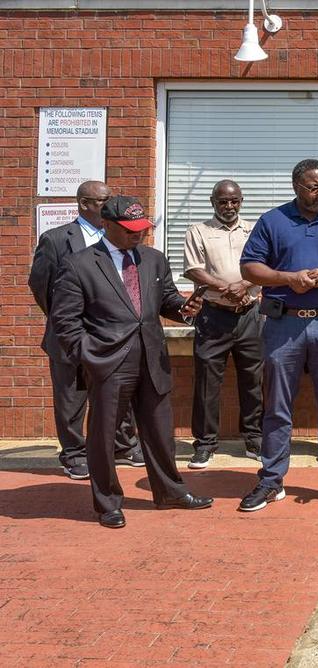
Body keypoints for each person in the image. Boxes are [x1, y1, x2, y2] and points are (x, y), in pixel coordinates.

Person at [49, 196, 213, 528]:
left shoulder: (153, 259)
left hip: (152, 358)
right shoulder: (79, 264)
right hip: (107, 362)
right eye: (130, 230)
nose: (138, 235)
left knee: (159, 432)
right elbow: (65, 322)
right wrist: (89, 355)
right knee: (104, 435)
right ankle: (108, 502)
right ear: (107, 225)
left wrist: (182, 309)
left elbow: (165, 298)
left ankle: (170, 492)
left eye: (142, 229)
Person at [238, 158, 318, 513]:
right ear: (297, 186)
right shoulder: (273, 221)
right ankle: (271, 480)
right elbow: (249, 267)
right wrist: (288, 278)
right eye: (315, 186)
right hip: (284, 325)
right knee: (278, 405)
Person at [28, 181, 143, 480]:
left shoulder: (120, 238)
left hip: (114, 336)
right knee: (72, 398)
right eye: (103, 200)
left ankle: (122, 445)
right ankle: (74, 454)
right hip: (72, 336)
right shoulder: (56, 239)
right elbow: (40, 285)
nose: (109, 204)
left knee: (118, 394)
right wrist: (67, 322)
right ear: (83, 203)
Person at [183, 179, 263, 469]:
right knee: (207, 382)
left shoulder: (255, 229)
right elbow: (193, 269)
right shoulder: (198, 231)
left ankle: (254, 439)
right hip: (213, 316)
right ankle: (205, 444)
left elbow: (268, 265)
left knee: (253, 380)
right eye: (222, 202)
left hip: (250, 316)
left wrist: (244, 285)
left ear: (241, 201)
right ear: (212, 202)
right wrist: (226, 287)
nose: (229, 206)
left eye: (234, 201)